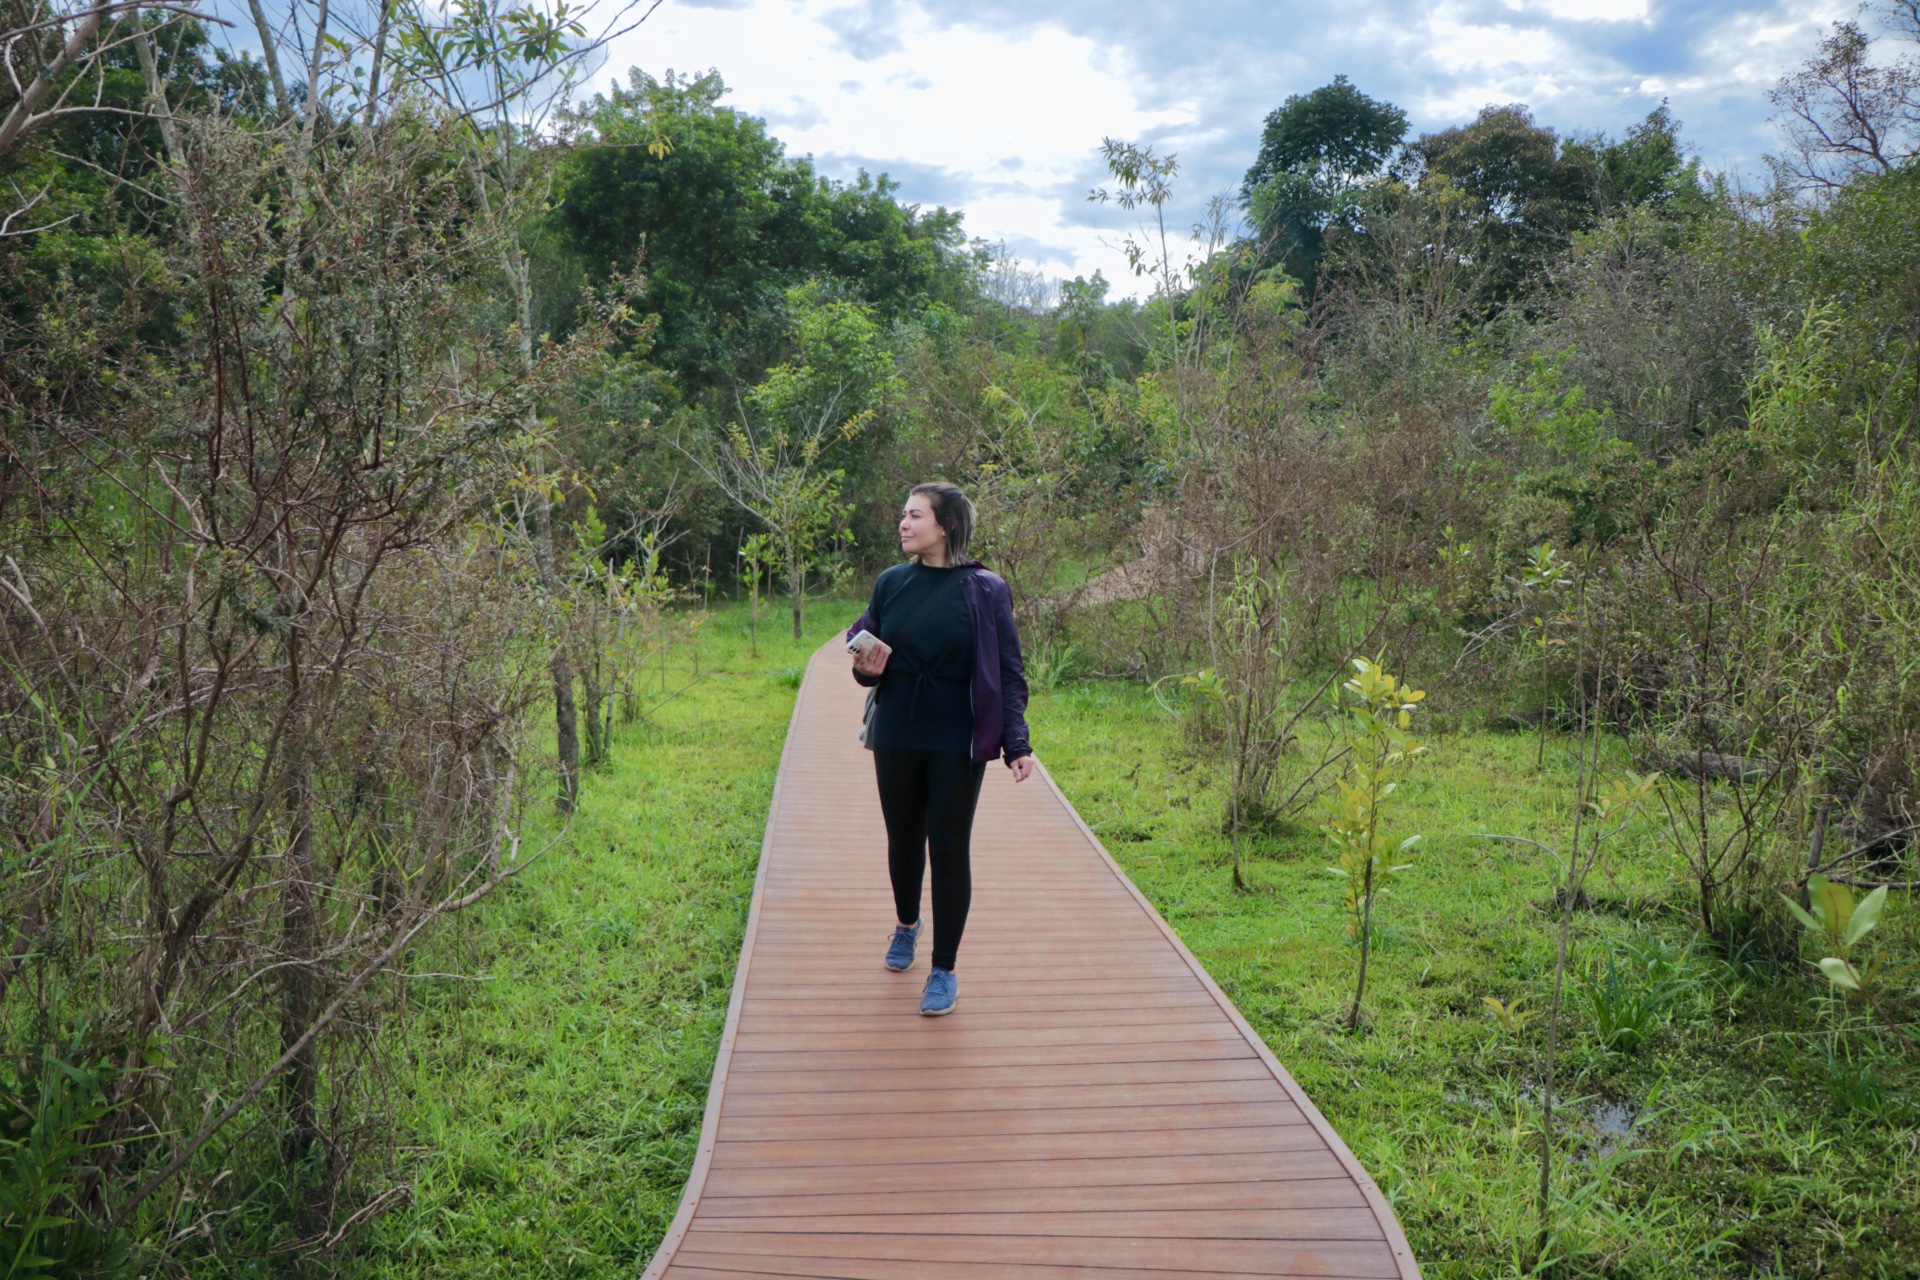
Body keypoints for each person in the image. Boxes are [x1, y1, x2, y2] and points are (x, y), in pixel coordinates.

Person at [846, 482, 1034, 1016]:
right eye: (903, 515)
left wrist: (1016, 742)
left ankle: (943, 967)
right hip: (898, 729)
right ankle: (907, 924)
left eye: (914, 515)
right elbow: (865, 654)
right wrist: (864, 668)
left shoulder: (986, 588)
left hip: (957, 734)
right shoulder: (890, 583)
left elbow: (1009, 671)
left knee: (948, 848)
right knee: (902, 840)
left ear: (944, 525)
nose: (903, 524)